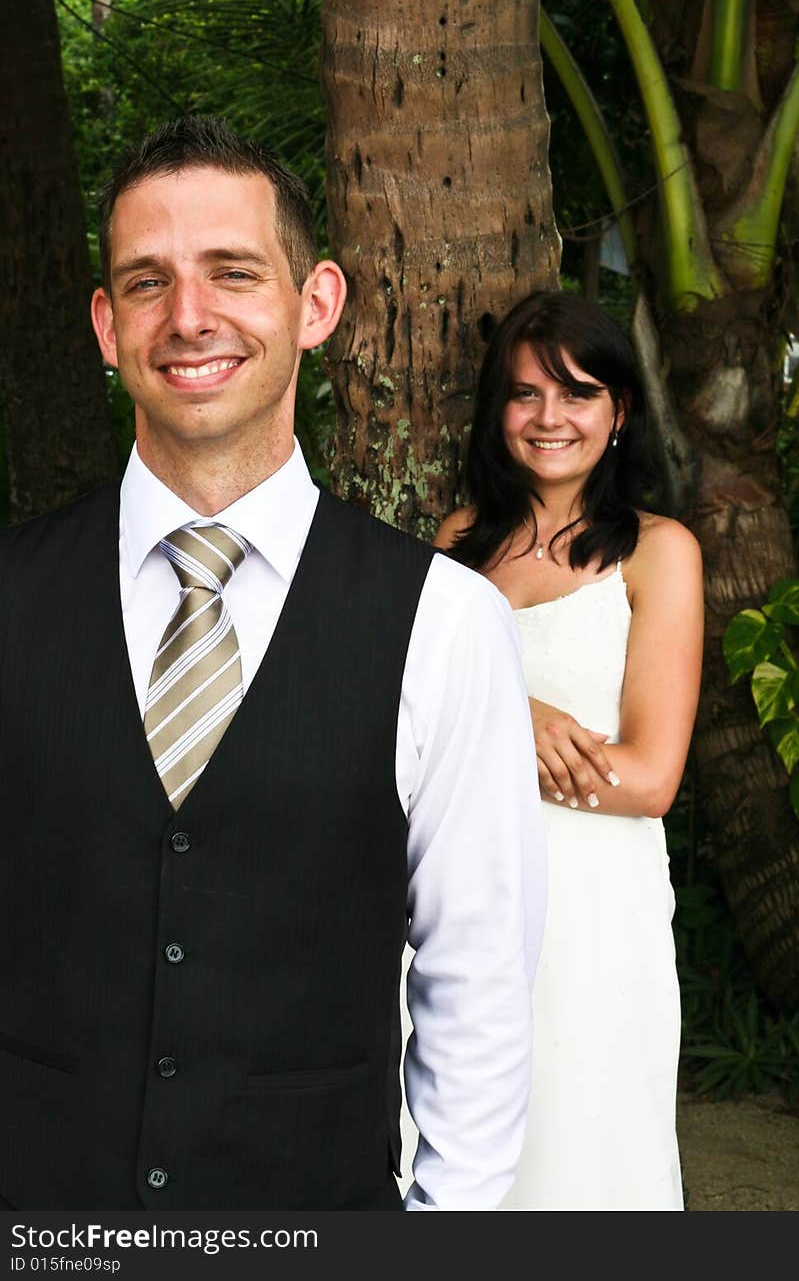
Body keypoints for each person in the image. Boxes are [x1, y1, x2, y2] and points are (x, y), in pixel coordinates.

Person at [0, 116, 545, 1212]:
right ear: (107, 327)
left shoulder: (444, 622)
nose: (188, 316)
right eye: (147, 283)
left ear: (317, 304)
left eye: (232, 273)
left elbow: (475, 986)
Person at [434, 291, 703, 1211]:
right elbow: (423, 737)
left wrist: (496, 724)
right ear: (495, 410)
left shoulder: (659, 553)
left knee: (584, 1159)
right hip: (457, 900)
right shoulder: (457, 547)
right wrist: (517, 712)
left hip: (595, 911)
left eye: (578, 393)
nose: (549, 419)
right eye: (524, 395)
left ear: (620, 411)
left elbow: (650, 777)